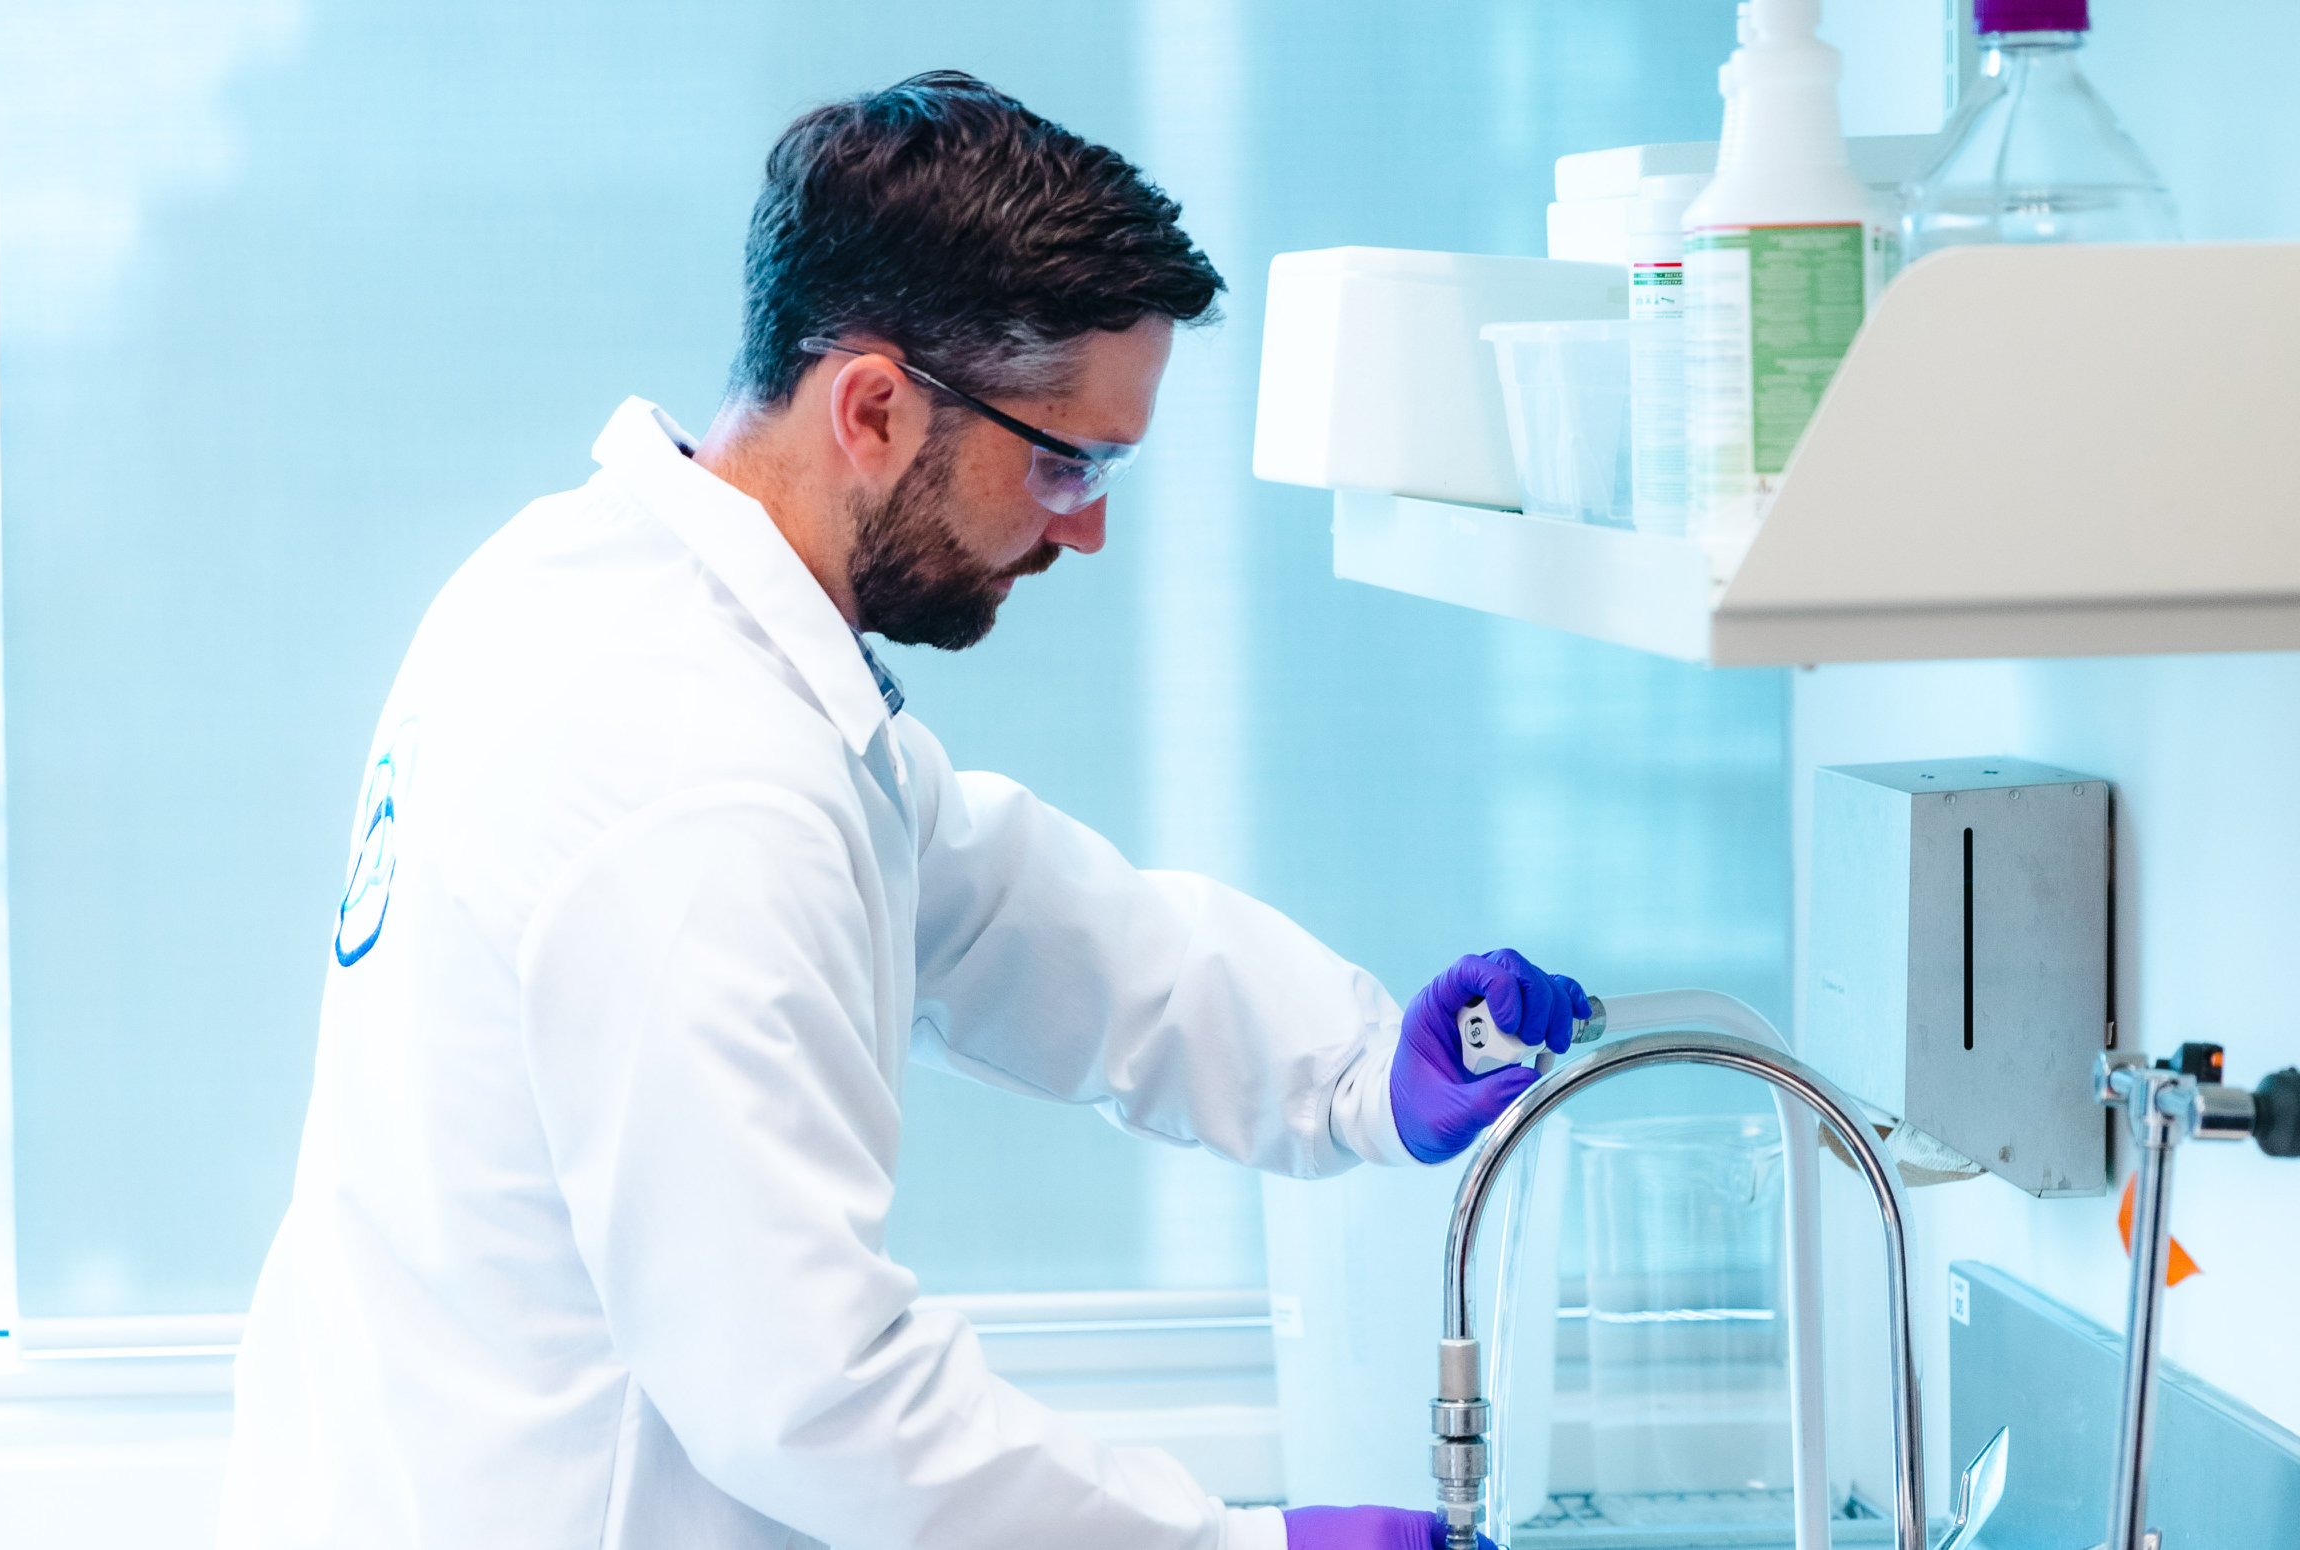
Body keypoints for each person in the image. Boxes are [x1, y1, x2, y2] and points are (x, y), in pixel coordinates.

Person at [216, 70, 1584, 1550]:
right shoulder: (700, 787)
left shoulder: (590, 587)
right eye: (1065, 458)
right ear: (871, 405)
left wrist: (1358, 1068)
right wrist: (1236, 1544)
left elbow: (990, 894)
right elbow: (809, 1395)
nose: (1091, 523)